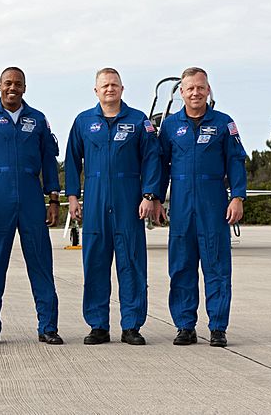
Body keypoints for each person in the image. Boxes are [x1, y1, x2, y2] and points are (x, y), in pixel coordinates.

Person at [0, 67, 62, 346]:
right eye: (8, 83)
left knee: (41, 263)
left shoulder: (38, 120)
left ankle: (48, 327)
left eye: (18, 84)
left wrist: (53, 199)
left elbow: (49, 162)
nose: (12, 88)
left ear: (24, 88)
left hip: (31, 197)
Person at [64, 68, 161, 346]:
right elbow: (72, 161)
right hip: (95, 202)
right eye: (104, 85)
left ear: (122, 88)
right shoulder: (83, 121)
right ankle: (98, 326)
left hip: (128, 202)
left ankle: (131, 326)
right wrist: (73, 197)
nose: (110, 89)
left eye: (114, 84)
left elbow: (152, 158)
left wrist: (149, 195)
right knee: (95, 263)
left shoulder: (138, 121)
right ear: (96, 91)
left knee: (131, 264)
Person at [156, 67, 246, 348]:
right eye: (190, 88)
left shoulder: (223, 123)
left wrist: (238, 197)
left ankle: (218, 327)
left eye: (200, 87)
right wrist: (156, 198)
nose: (195, 93)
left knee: (217, 267)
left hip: (213, 204)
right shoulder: (170, 126)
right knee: (181, 268)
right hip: (181, 207)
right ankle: (185, 326)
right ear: (182, 92)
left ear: (208, 90)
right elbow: (161, 165)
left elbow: (236, 161)